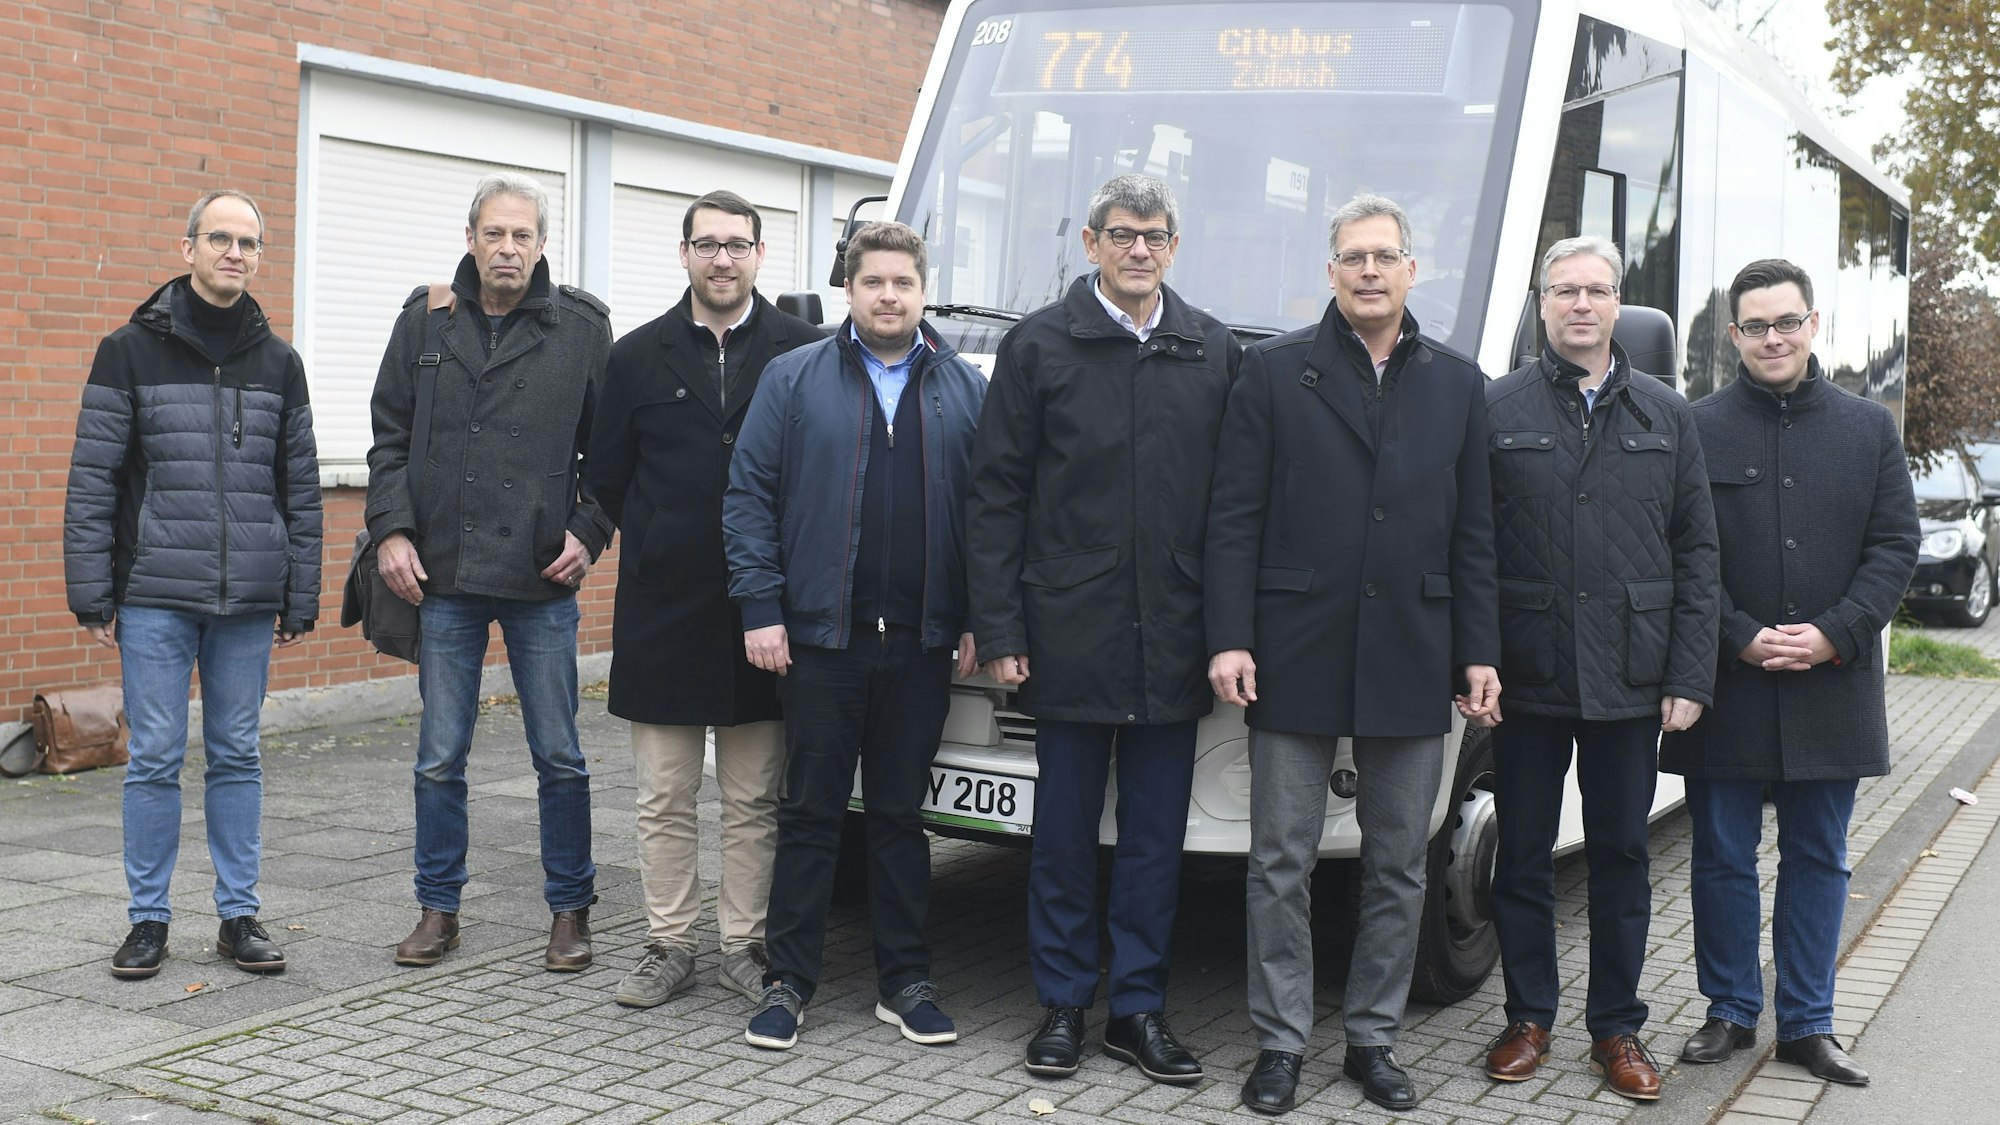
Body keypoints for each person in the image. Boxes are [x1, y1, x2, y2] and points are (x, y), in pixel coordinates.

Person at [1206, 194, 1500, 1115]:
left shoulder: (1458, 383)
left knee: (1400, 861)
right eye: (1352, 257)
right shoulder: (1272, 371)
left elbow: (1477, 535)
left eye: (1384, 256)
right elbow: (1232, 519)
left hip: (1415, 651)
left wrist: (1479, 651)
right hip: (1293, 649)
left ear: (1413, 269)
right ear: (1328, 271)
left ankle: (1373, 1039)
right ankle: (1281, 1042)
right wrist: (1229, 634)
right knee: (1279, 858)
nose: (1369, 271)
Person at [965, 173, 1239, 1084]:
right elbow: (996, 494)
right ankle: (1061, 1005)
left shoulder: (1212, 349)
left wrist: (1229, 629)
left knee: (1157, 841)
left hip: (1175, 632)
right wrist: (998, 623)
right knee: (1066, 833)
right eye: (1122, 234)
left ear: (1173, 245)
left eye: (1155, 235)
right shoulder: (1039, 346)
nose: (1139, 249)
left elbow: (1236, 508)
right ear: (1089, 244)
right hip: (1066, 629)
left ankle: (1138, 1010)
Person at [724, 221, 986, 1051]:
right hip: (821, 641)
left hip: (920, 642)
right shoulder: (794, 377)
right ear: (850, 289)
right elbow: (748, 496)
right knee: (810, 814)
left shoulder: (963, 388)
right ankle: (788, 981)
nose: (888, 296)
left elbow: (992, 513)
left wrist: (982, 614)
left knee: (903, 817)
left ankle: (905, 981)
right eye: (873, 282)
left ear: (921, 290)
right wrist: (761, 608)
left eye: (902, 283)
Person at [1663, 258, 1919, 1087]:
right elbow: (1680, 552)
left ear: (1814, 324)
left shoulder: (1868, 428)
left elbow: (1894, 548)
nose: (1773, 337)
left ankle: (1809, 1022)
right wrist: (1737, 635)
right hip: (1729, 682)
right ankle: (1731, 1010)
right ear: (1733, 334)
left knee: (1820, 856)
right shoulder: (1693, 426)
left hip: (1830, 680)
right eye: (1756, 325)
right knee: (1722, 856)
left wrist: (1835, 632)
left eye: (1787, 321)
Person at [1478, 236, 1720, 1100]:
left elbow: (1698, 553)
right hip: (1529, 672)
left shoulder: (1667, 412)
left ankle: (1616, 1029)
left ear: (1620, 304)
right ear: (1541, 304)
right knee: (1523, 858)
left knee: (1620, 853)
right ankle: (1528, 1017)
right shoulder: (1496, 406)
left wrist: (1689, 676)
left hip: (1630, 675)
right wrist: (1477, 659)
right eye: (1565, 290)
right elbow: (1473, 549)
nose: (1581, 304)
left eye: (1598, 290)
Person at [64, 189, 323, 979]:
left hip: (247, 597)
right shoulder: (126, 352)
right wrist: (90, 589)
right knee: (153, 759)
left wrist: (300, 592)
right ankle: (148, 921)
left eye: (249, 241)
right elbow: (93, 479)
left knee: (238, 754)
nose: (234, 252)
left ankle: (237, 915)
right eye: (220, 238)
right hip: (153, 596)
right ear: (188, 249)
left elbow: (301, 488)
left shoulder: (280, 362)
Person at [366, 172, 614, 972]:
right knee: (440, 754)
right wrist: (391, 532)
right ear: (471, 237)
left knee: (560, 754)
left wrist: (589, 531)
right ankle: (438, 908)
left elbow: (610, 454)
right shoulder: (425, 321)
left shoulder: (581, 328)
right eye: (494, 233)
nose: (508, 248)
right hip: (443, 574)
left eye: (523, 236)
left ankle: (571, 910)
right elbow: (387, 439)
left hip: (544, 577)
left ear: (543, 246)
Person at [587, 190, 824, 1007]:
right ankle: (667, 943)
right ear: (683, 253)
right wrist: (604, 542)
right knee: (664, 794)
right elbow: (606, 479)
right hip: (664, 611)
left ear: (760, 255)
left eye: (737, 244)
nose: (722, 258)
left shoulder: (805, 351)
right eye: (707, 244)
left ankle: (745, 945)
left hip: (766, 612)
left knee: (757, 795)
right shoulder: (635, 355)